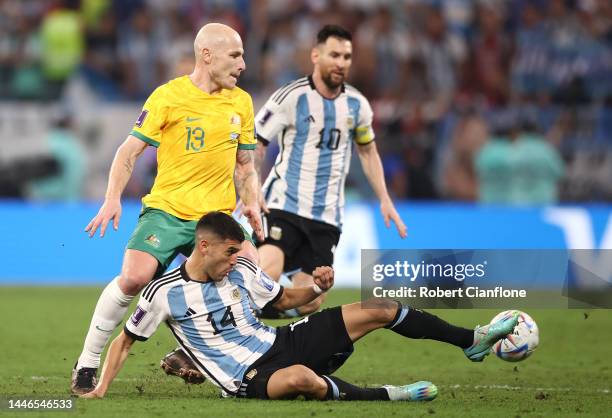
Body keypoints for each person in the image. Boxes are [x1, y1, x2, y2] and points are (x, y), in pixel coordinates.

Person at [81, 212, 518, 401]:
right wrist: (101, 386)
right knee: (302, 380)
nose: (238, 259)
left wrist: (312, 289)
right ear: (204, 246)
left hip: (283, 340)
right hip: (247, 377)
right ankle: (387, 395)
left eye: (240, 252)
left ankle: (472, 341)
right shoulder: (163, 294)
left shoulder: (241, 271)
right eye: (231, 252)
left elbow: (283, 300)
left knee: (379, 307)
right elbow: (126, 341)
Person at [71, 23, 263, 395]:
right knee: (133, 278)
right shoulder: (168, 96)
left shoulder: (242, 102)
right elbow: (128, 151)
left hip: (215, 221)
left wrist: (251, 202)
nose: (243, 64)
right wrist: (112, 198)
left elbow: (246, 165)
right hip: (168, 210)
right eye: (235, 55)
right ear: (207, 55)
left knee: (253, 280)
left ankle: (187, 354)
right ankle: (89, 360)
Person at [251, 25, 407, 317]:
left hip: (327, 217)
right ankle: (235, 320)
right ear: (316, 55)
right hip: (282, 204)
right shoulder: (291, 97)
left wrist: (385, 198)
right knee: (265, 274)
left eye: (347, 56)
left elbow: (367, 150)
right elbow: (256, 143)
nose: (341, 62)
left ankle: (246, 315)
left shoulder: (357, 105)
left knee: (310, 301)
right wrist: (252, 190)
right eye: (334, 54)